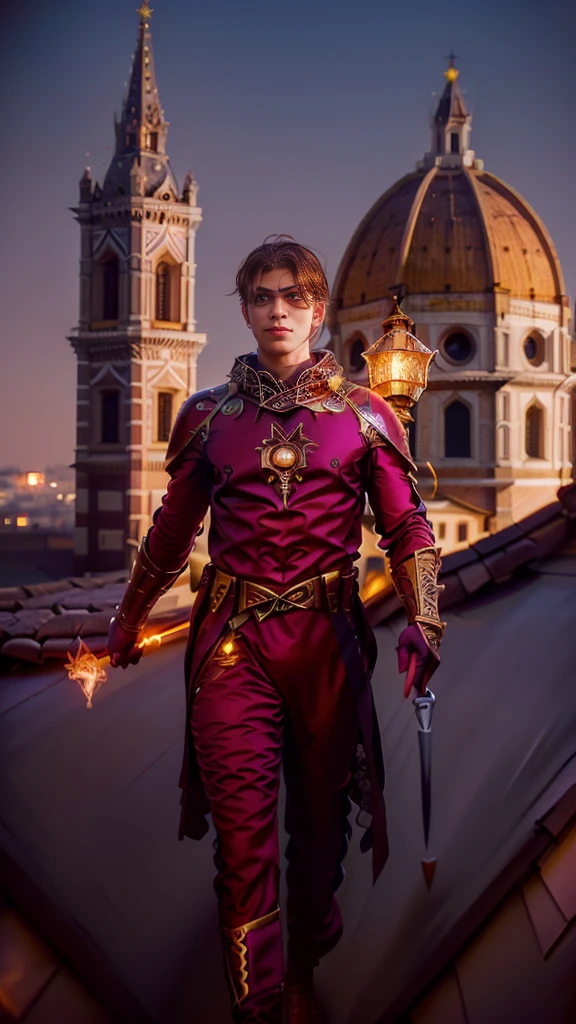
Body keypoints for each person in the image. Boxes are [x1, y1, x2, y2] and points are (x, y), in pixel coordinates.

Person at [107, 237, 445, 1024]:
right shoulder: (208, 417)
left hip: (330, 648)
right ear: (248, 310)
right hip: (233, 650)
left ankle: (304, 967)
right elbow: (169, 533)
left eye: (293, 295)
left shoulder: (364, 418)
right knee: (244, 842)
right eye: (261, 296)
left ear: (318, 311)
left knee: (319, 840)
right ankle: (257, 1008)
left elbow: (410, 532)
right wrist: (127, 619)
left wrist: (424, 621)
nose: (278, 308)